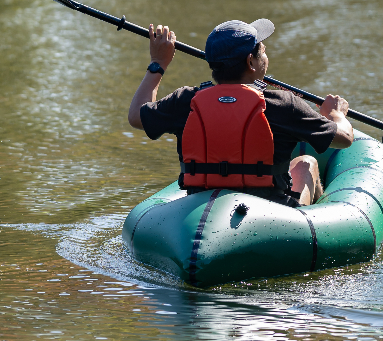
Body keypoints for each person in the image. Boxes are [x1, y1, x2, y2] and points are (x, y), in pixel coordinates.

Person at [127, 18, 353, 206]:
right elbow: (344, 139)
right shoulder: (284, 104)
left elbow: (137, 116)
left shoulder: (186, 101)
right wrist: (336, 114)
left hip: (202, 206)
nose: (265, 56)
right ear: (251, 61)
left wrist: (158, 63)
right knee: (306, 163)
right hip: (272, 213)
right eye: (263, 51)